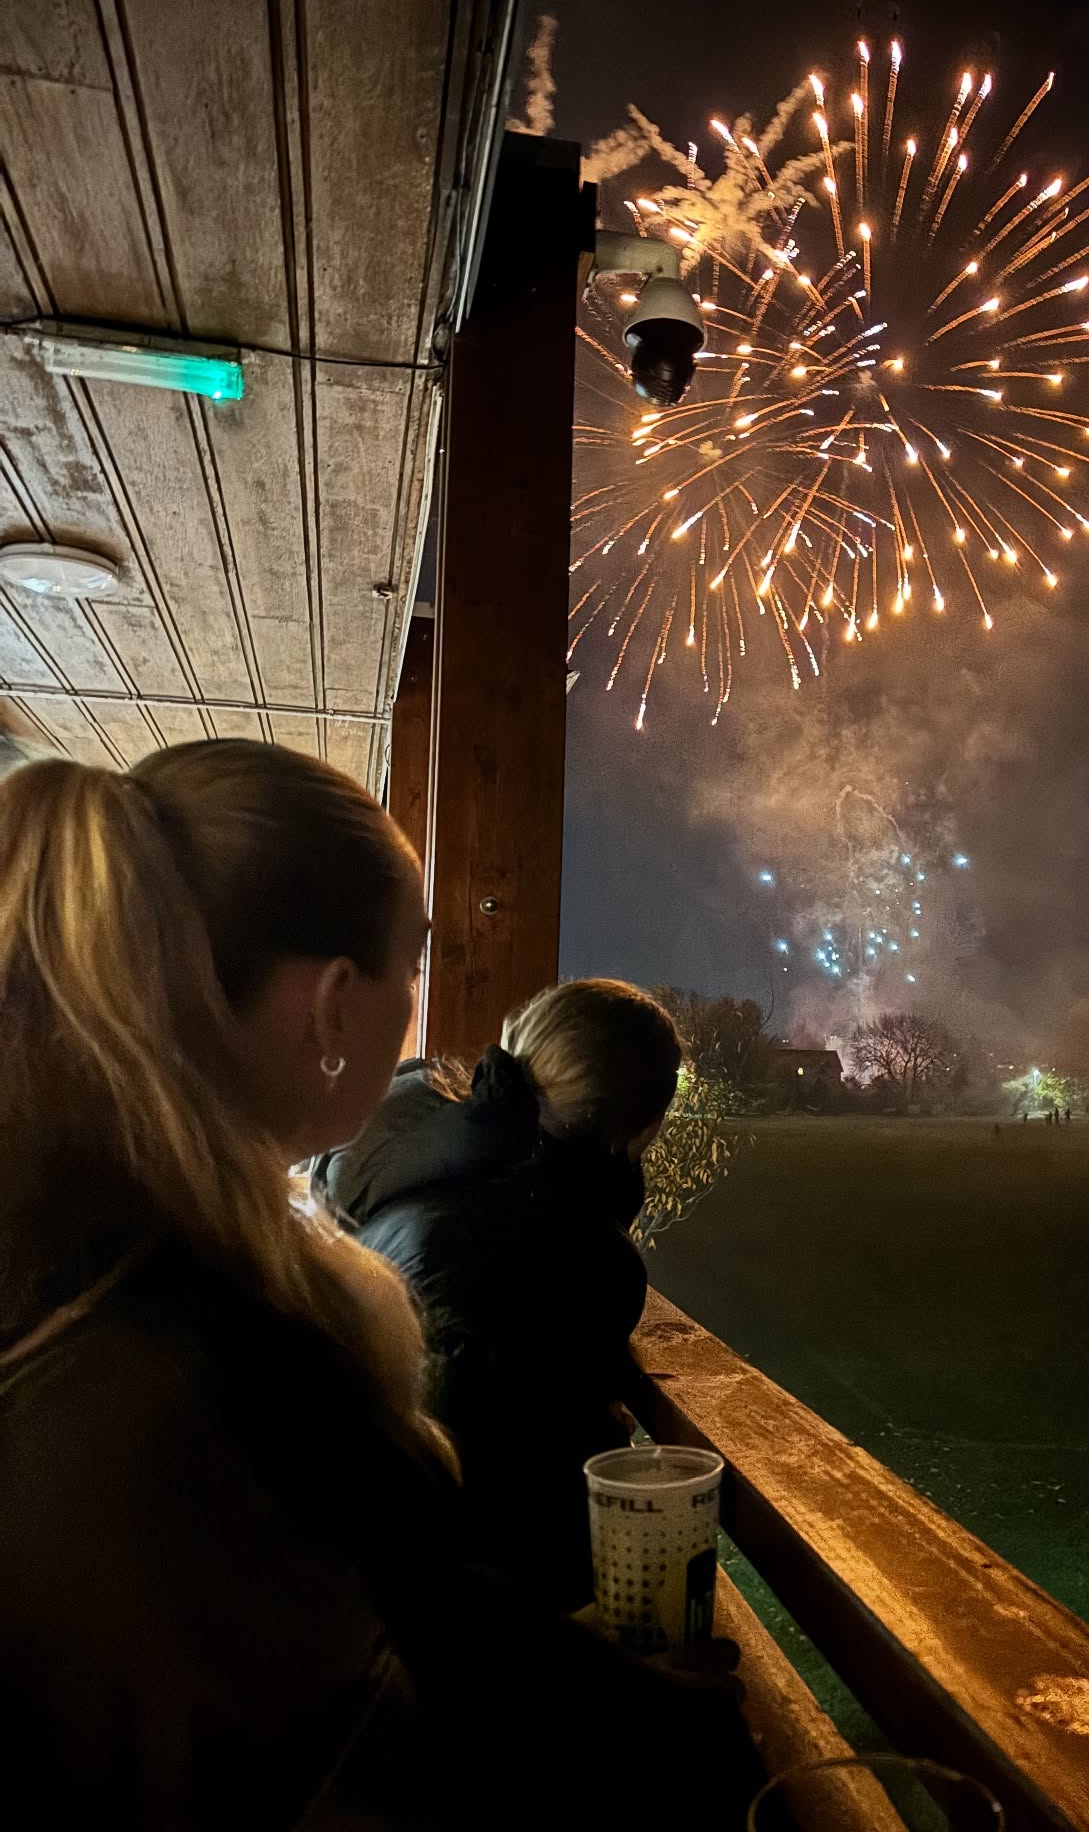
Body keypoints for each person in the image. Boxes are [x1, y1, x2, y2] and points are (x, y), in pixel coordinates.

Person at [0, 743, 755, 1829]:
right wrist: (684, 1737)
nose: (417, 1011)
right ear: (332, 1006)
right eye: (412, 967)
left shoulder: (108, 1251)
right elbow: (419, 1673)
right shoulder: (207, 1342)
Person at [315, 979, 682, 1612]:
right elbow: (503, 1511)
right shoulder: (571, 1253)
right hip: (465, 1647)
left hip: (350, 1581)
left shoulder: (415, 1169)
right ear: (644, 1125)